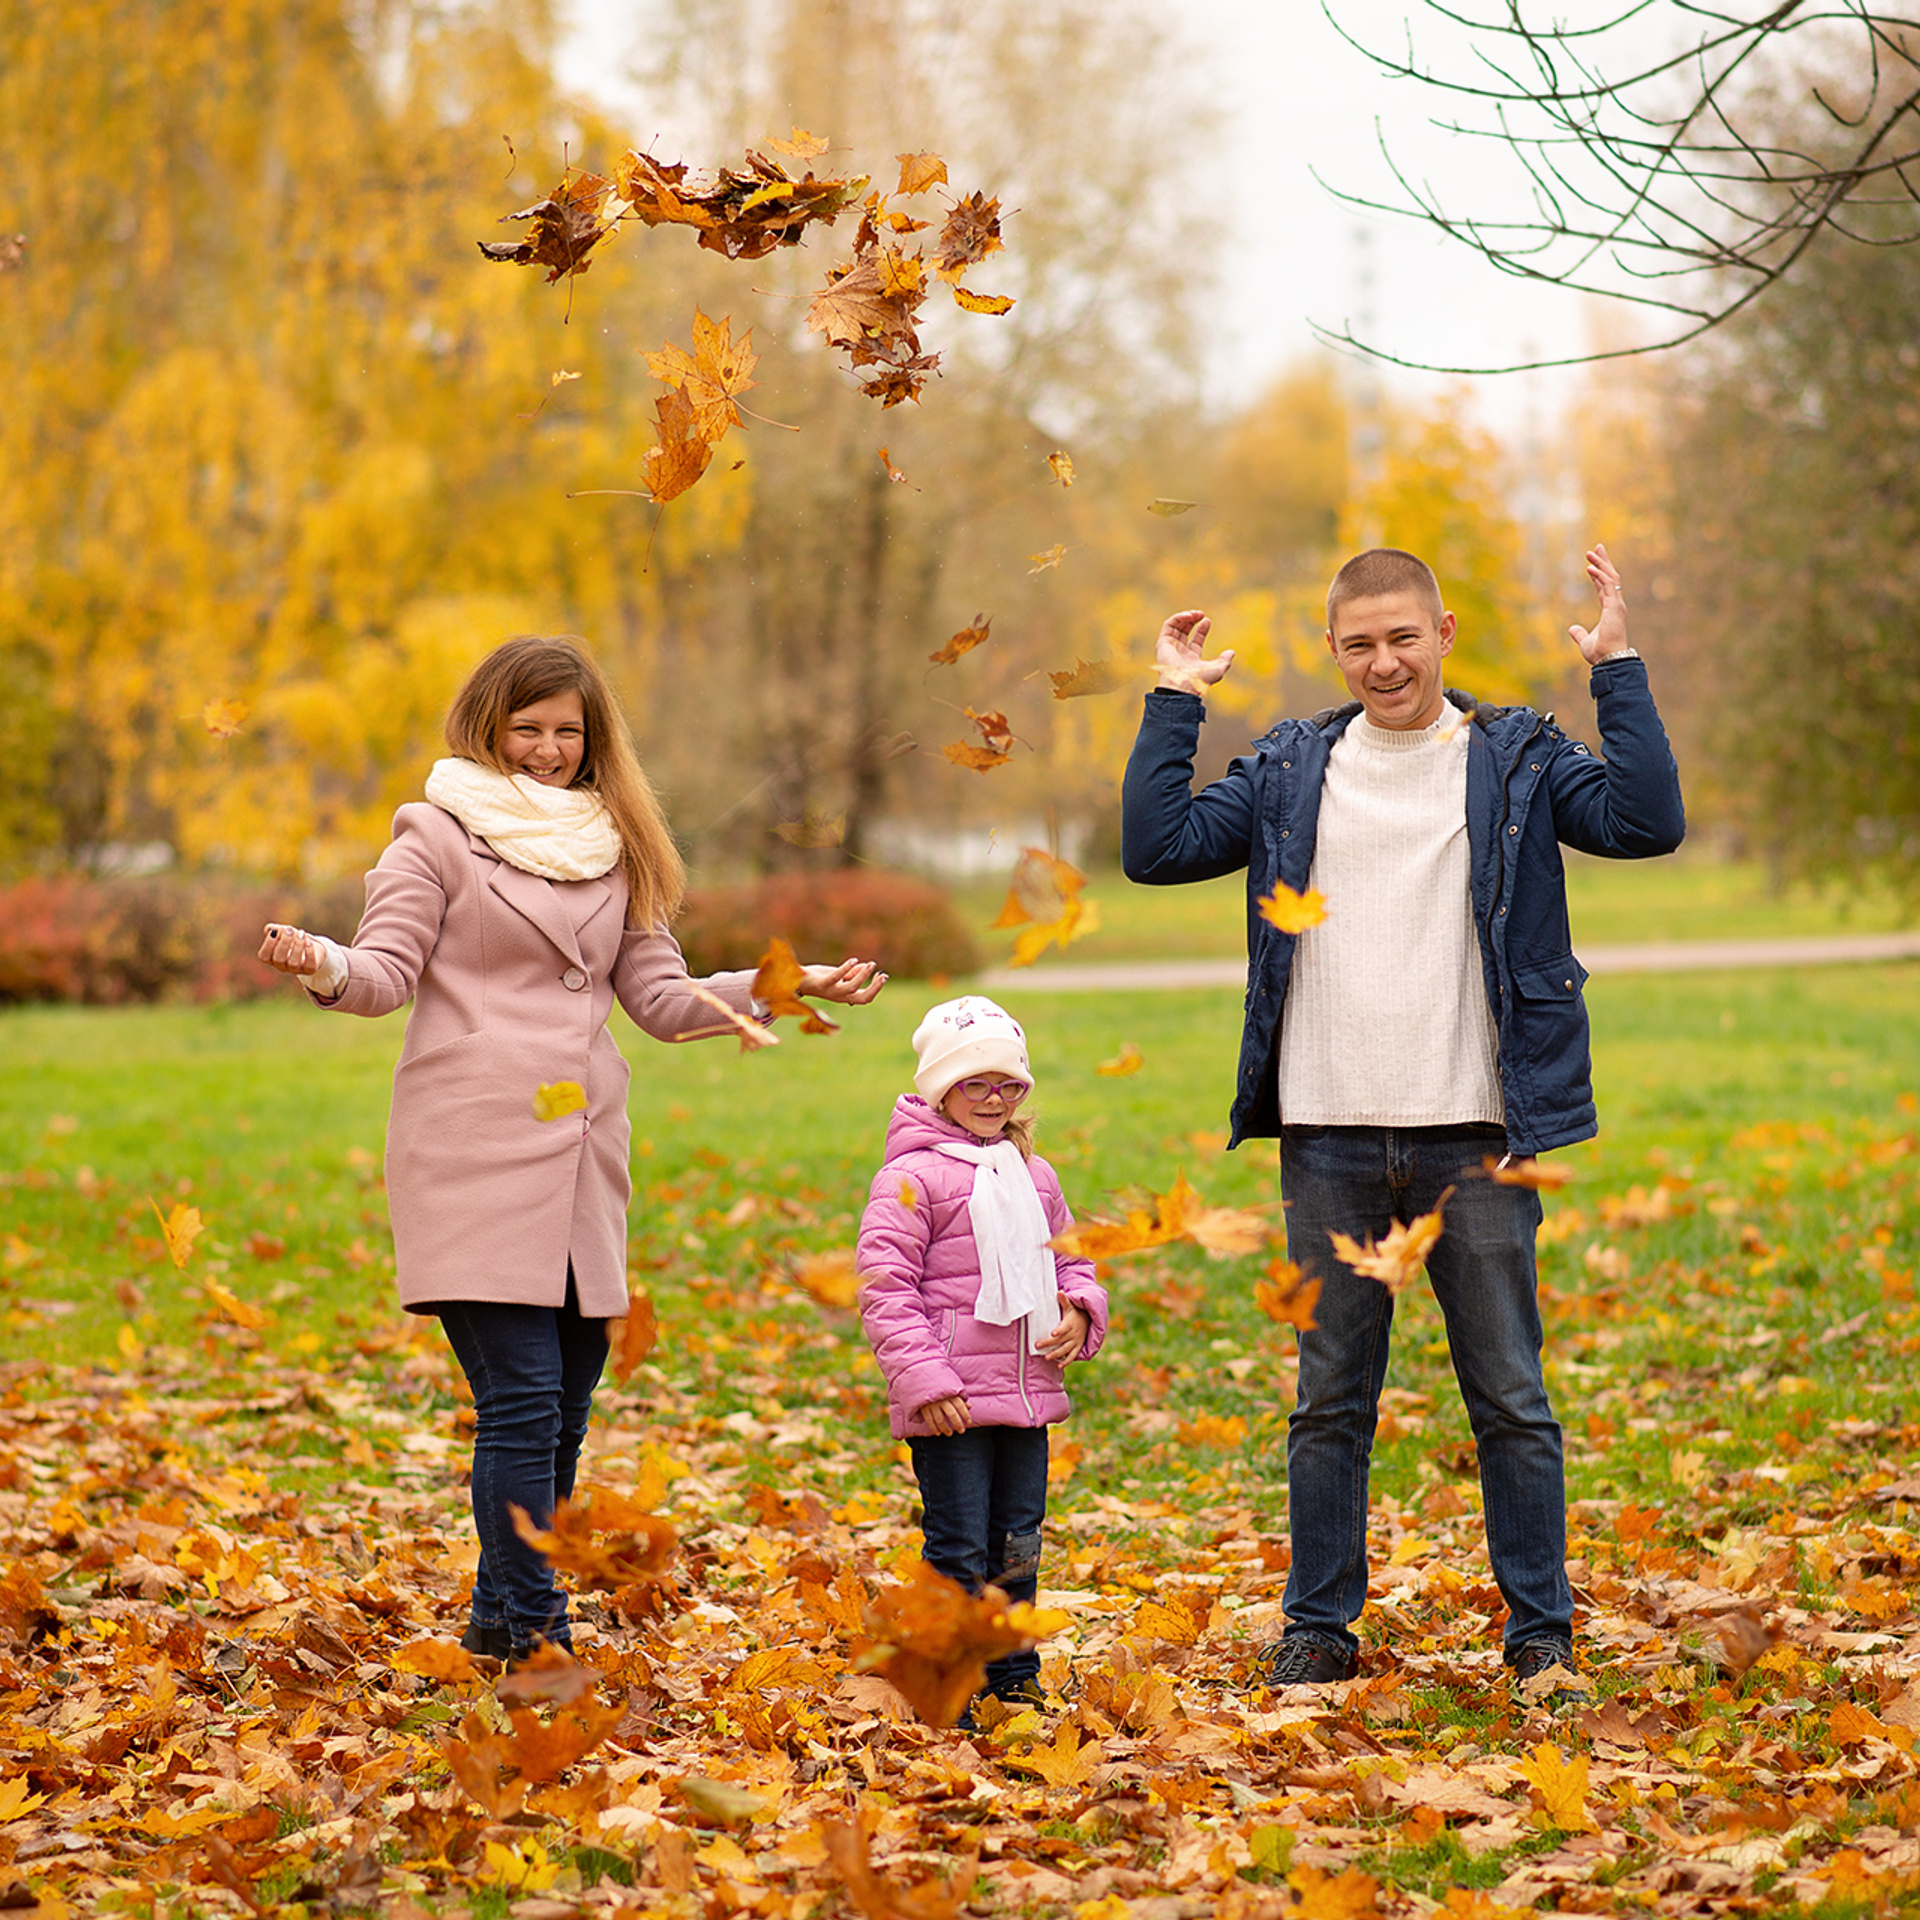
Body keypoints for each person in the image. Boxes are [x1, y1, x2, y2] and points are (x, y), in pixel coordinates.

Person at [1121, 544, 1684, 1691]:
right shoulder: (1290, 767)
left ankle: (1541, 1641)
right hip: (1328, 1134)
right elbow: (1156, 848)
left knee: (1512, 1401)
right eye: (1361, 644)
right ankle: (1319, 1630)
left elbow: (1647, 822)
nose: (1385, 663)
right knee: (1331, 1402)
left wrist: (1616, 668)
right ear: (1335, 652)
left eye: (1404, 638)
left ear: (1445, 633)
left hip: (1475, 1135)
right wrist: (1174, 701)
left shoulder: (1515, 757)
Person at [259, 634, 884, 1663]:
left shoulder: (616, 842)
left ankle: (499, 1626)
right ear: (487, 728)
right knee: (521, 1398)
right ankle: (540, 1634)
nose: (547, 750)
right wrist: (320, 959)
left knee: (567, 1401)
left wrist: (788, 981)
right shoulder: (436, 836)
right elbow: (380, 975)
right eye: (528, 729)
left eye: (566, 732)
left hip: (581, 1157)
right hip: (472, 1148)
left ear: (594, 742)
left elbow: (660, 1000)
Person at [856, 996, 1109, 1711]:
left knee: (1018, 1543)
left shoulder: (1035, 1175)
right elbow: (885, 1287)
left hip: (1026, 1395)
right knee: (960, 1545)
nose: (994, 1098)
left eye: (1009, 1085)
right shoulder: (912, 1180)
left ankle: (1010, 1676)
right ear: (941, 1088)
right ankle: (952, 1679)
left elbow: (1072, 1264)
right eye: (976, 1083)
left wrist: (1078, 1307)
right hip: (951, 1400)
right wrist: (924, 1379)